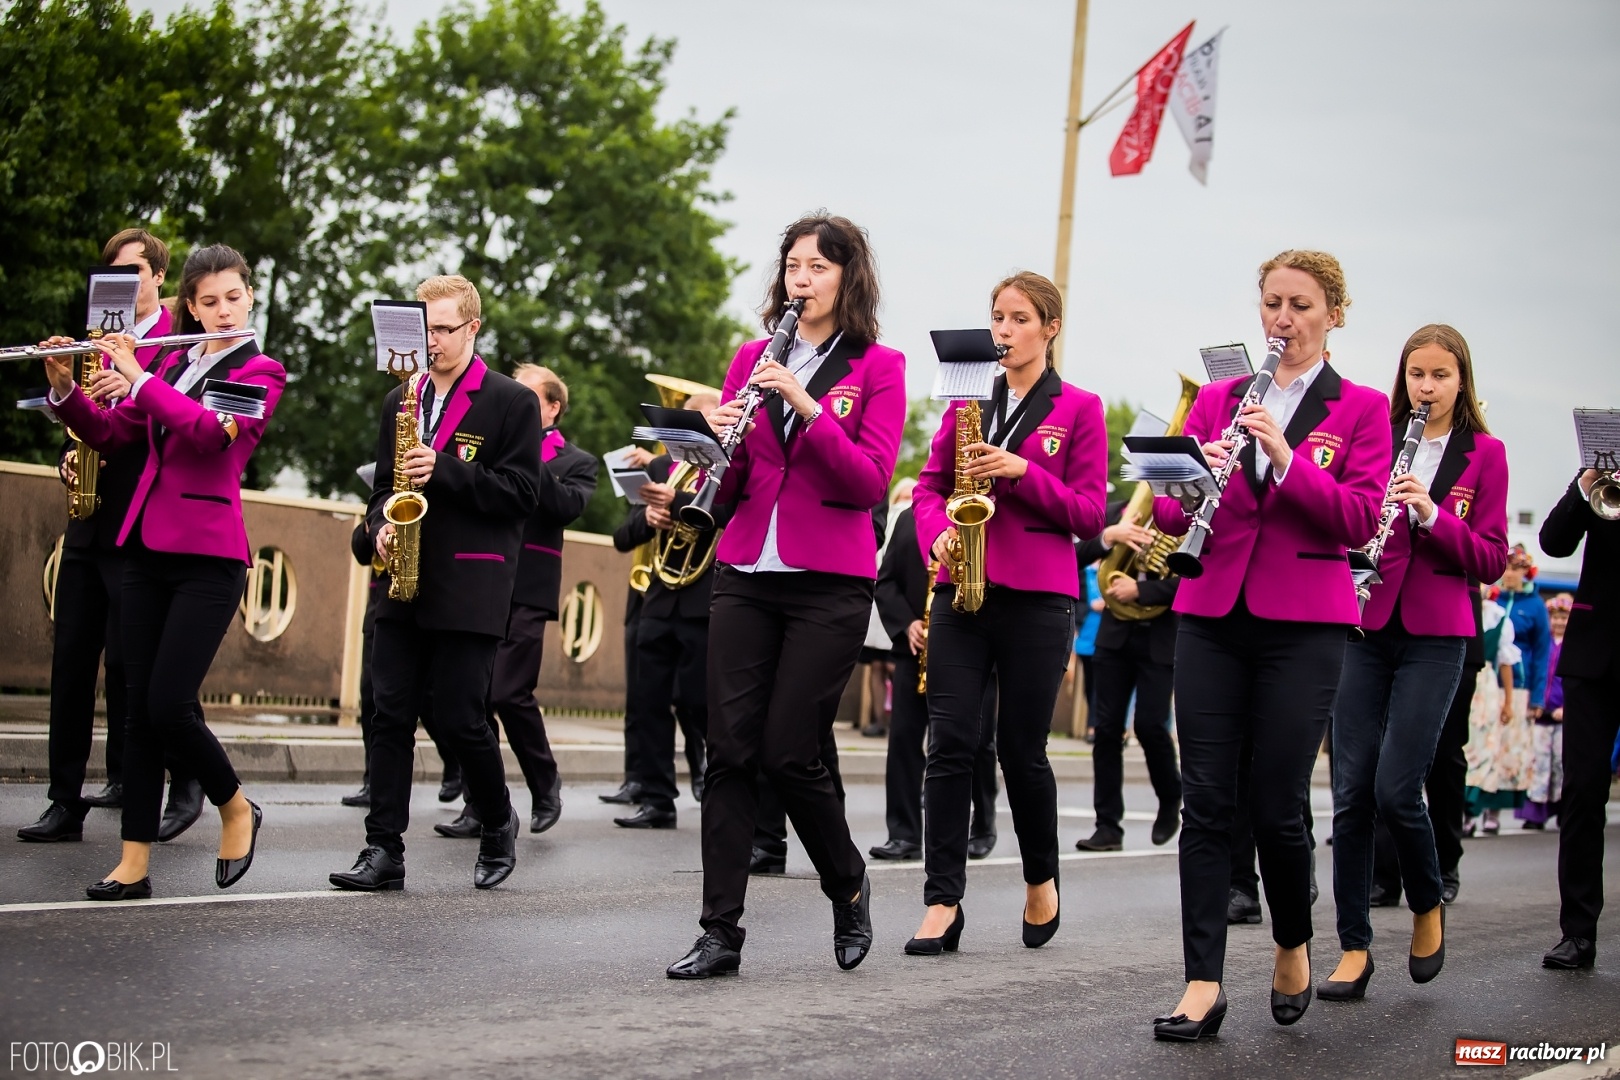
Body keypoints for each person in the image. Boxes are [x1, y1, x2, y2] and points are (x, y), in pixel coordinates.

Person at [1149, 250, 1387, 1040]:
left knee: (1278, 804)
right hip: (1212, 610)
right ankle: (1201, 981)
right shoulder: (1216, 398)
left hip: (1304, 624)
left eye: (1301, 306)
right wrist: (1188, 481)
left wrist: (1284, 459)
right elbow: (1171, 520)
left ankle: (1293, 940)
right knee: (1206, 800)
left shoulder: (1361, 409)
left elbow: (1359, 522)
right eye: (1273, 304)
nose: (1283, 319)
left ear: (1333, 315)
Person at [665, 213, 904, 978]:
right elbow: (733, 480)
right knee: (726, 753)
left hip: (828, 582)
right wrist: (708, 441)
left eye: (819, 268)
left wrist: (802, 403)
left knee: (789, 753)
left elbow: (868, 481)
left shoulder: (879, 365)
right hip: (744, 571)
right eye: (793, 266)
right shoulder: (749, 355)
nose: (802, 279)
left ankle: (847, 883)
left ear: (847, 278)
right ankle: (720, 933)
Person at [41, 243, 285, 899]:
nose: (223, 310)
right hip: (142, 551)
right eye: (209, 302)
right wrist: (65, 387)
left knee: (167, 703)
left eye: (233, 297)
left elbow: (210, 436)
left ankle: (235, 805)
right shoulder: (175, 364)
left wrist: (141, 381)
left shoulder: (262, 370)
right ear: (192, 307)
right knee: (139, 716)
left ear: (250, 297)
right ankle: (134, 860)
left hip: (209, 559)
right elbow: (115, 436)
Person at [905, 271, 1107, 955]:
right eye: (997, 317)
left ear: (1049, 327)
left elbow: (1088, 514)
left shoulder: (1080, 407)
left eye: (1018, 318)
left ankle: (1041, 879)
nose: (1002, 330)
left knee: (1023, 753)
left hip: (1039, 597)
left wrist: (1022, 472)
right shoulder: (967, 400)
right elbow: (930, 487)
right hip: (959, 589)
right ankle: (942, 900)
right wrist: (934, 533)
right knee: (950, 743)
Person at [330, 274, 541, 892]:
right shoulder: (401, 400)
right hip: (401, 578)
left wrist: (445, 470)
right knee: (388, 714)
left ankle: (498, 820)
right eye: (421, 330)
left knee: (459, 716)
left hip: (470, 584)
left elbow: (523, 494)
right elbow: (377, 496)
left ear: (473, 327)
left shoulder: (510, 402)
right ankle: (383, 849)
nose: (431, 342)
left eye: (443, 329)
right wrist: (378, 531)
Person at [1321, 323, 1508, 1002]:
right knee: (1350, 794)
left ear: (1462, 382)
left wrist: (1432, 515)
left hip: (1436, 632)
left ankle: (1427, 902)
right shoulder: (1379, 435)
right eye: (1416, 375)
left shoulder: (1485, 456)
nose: (1426, 388)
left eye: (1440, 376)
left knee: (1399, 788)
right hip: (1364, 625)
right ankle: (1352, 946)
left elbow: (1489, 558)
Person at [20, 228, 204, 843]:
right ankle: (63, 799)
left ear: (157, 278)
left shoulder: (176, 350)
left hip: (143, 519)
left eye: (133, 274)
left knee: (140, 664)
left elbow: (172, 427)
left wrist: (131, 384)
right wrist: (65, 390)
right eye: (112, 276)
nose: (121, 286)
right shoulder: (97, 342)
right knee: (71, 661)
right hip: (90, 517)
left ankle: (180, 780)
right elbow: (90, 429)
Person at [434, 364, 598, 838]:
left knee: (508, 691)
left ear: (550, 408)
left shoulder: (575, 461)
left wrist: (525, 458)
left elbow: (566, 506)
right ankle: (480, 805)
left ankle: (544, 782)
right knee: (473, 696)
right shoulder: (486, 440)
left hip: (528, 586)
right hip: (481, 577)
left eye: (528, 398)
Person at [607, 392, 729, 830]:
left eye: (707, 420)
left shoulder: (729, 469)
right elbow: (623, 537)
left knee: (699, 703)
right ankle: (658, 799)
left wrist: (674, 505)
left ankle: (723, 791)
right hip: (660, 596)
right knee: (649, 700)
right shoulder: (661, 468)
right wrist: (649, 520)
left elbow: (728, 514)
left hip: (703, 600)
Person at [869, 494, 999, 863]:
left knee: (977, 743)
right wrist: (906, 625)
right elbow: (887, 582)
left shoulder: (985, 509)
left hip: (973, 648)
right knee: (905, 741)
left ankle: (983, 825)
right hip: (917, 648)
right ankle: (904, 833)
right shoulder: (911, 518)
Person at [1538, 466, 1620, 970]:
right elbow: (1553, 542)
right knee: (1582, 793)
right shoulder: (1603, 478)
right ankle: (1578, 933)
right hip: (1594, 657)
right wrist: (1585, 485)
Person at [1073, 501, 1184, 852]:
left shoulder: (1190, 515)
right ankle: (1107, 825)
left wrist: (1143, 591)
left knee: (1150, 726)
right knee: (1106, 730)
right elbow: (1076, 554)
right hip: (1115, 633)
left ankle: (1170, 801)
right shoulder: (1121, 511)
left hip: (1160, 637)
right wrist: (1109, 535)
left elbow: (1197, 577)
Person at [1464, 549, 1549, 833]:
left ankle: (1493, 810)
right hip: (1485, 684)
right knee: (1479, 745)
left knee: (1504, 749)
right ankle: (1469, 807)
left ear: (1526, 573)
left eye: (1516, 570)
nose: (1510, 575)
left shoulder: (1535, 606)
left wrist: (1537, 697)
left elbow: (1541, 653)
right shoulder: (1490, 603)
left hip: (1516, 683)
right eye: (1507, 569)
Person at [1519, 593, 1571, 830]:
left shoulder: (1573, 645)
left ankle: (1562, 809)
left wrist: (1566, 707)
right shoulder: (1543, 644)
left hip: (1561, 715)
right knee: (1538, 761)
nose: (1559, 622)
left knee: (1561, 762)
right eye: (1555, 618)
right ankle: (1536, 812)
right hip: (1542, 714)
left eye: (1564, 618)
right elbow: (1535, 671)